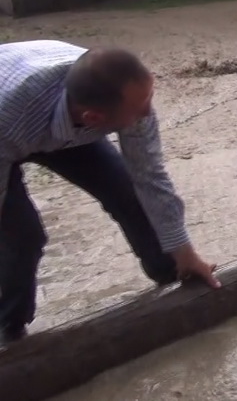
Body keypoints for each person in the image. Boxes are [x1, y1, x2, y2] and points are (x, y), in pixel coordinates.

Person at [0, 40, 221, 345]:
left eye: (148, 98)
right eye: (139, 108)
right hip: (9, 126)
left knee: (128, 192)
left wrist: (187, 254)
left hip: (52, 111)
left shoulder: (129, 99)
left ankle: (171, 274)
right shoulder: (11, 117)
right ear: (93, 119)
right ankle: (9, 328)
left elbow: (151, 178)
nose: (148, 112)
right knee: (23, 236)